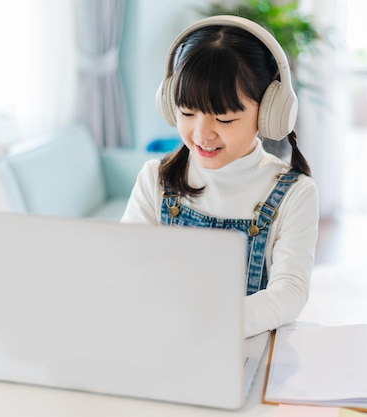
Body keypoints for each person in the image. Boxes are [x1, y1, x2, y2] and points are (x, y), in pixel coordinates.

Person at [121, 15, 319, 338]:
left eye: (224, 119)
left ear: (270, 112)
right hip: (159, 339)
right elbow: (125, 264)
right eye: (187, 113)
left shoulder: (295, 194)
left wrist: (214, 324)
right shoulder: (155, 179)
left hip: (238, 349)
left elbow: (290, 292)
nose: (201, 134)